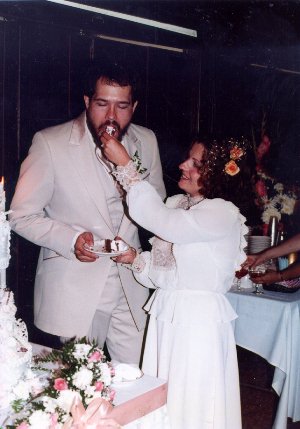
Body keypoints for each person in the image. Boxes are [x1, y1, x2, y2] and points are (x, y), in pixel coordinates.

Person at [9, 61, 166, 364]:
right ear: (87, 102)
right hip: (75, 289)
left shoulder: (146, 141)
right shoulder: (50, 143)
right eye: (101, 103)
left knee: (137, 380)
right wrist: (70, 239)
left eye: (121, 106)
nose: (110, 116)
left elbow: (157, 209)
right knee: (82, 387)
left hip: (132, 288)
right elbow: (20, 216)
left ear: (133, 106)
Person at [100, 134, 250, 429]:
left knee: (192, 402)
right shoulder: (177, 203)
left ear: (219, 173)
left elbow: (163, 223)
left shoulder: (222, 212)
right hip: (167, 316)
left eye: (196, 163)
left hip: (197, 324)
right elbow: (163, 275)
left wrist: (126, 167)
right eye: (187, 158)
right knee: (162, 399)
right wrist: (134, 258)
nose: (183, 165)